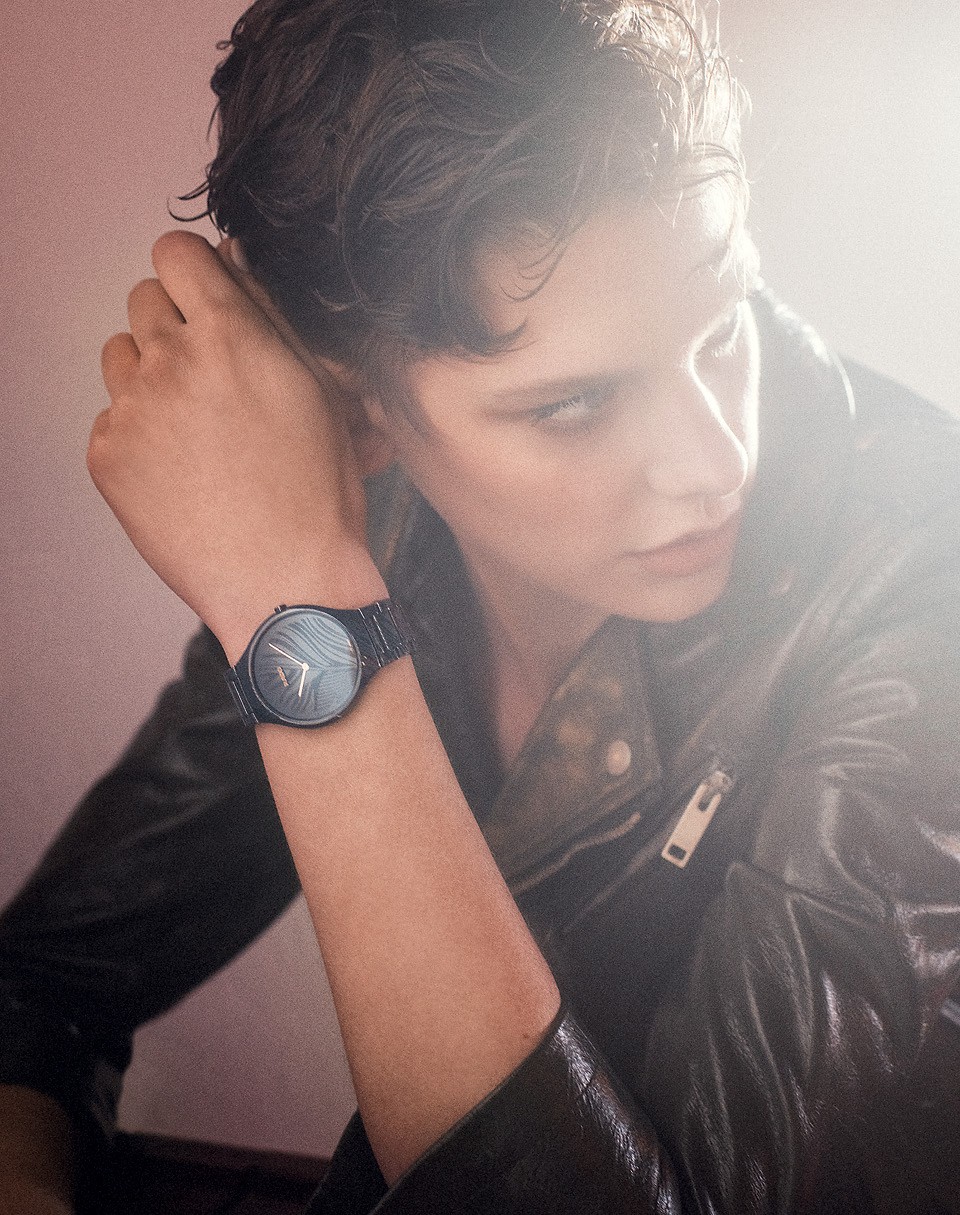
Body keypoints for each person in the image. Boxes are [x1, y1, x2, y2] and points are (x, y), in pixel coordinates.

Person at [1, 1, 959, 1211]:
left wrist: (301, 606)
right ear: (354, 416)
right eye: (574, 406)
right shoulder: (372, 530)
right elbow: (40, 988)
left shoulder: (927, 590)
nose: (716, 460)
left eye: (724, 327)